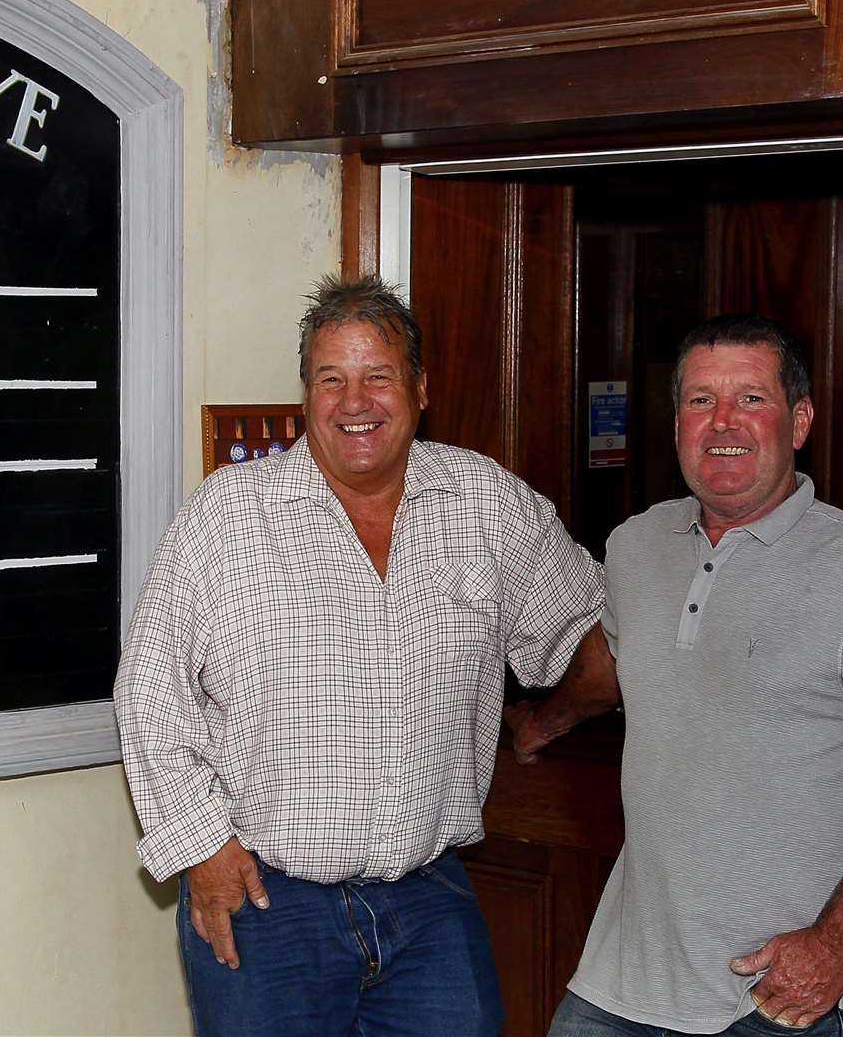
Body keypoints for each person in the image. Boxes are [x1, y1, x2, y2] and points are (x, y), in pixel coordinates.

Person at [114, 274, 612, 1037]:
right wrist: (200, 848)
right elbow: (149, 693)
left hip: (429, 903)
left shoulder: (486, 505)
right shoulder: (225, 518)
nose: (355, 402)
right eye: (331, 379)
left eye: (377, 376)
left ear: (419, 388)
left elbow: (591, 630)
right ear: (305, 394)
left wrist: (550, 718)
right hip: (264, 905)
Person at [507, 314, 843, 1037]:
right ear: (675, 425)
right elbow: (614, 663)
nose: (722, 421)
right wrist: (540, 723)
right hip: (618, 988)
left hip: (777, 997)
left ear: (798, 422)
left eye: (750, 399)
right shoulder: (635, 547)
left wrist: (834, 948)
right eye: (700, 400)